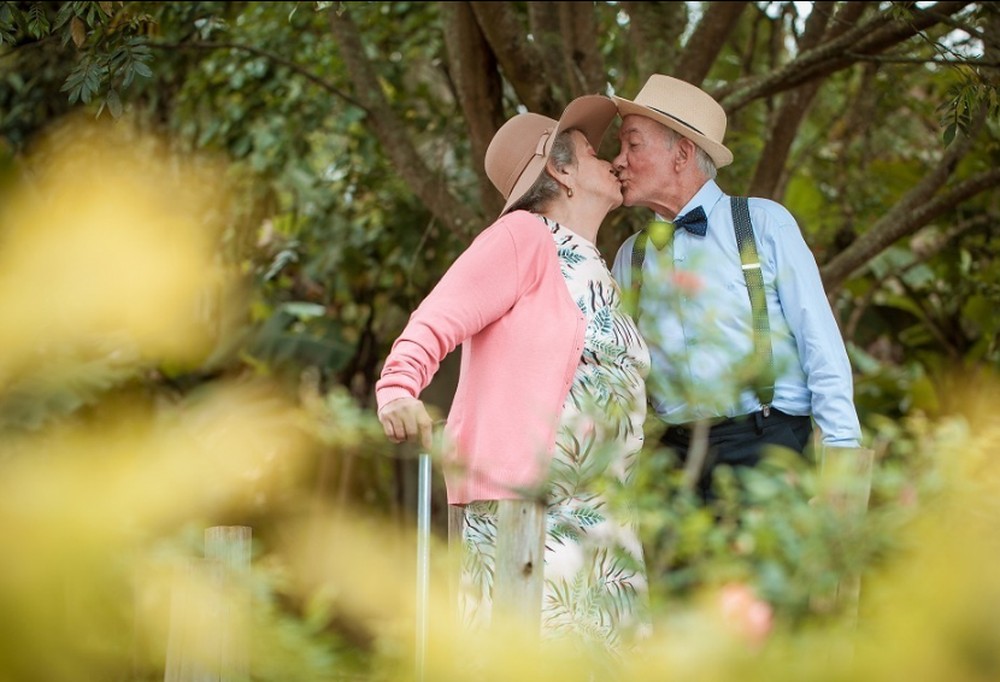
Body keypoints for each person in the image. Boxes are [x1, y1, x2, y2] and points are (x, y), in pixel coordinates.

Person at [375, 95, 650, 654]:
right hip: (531, 513)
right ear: (561, 169)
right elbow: (437, 317)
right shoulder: (522, 237)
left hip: (603, 517)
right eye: (595, 154)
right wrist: (398, 387)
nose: (611, 163)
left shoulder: (597, 265)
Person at [609, 74, 863, 502]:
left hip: (765, 443)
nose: (618, 160)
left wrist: (841, 452)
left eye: (632, 145)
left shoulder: (763, 223)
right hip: (673, 460)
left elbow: (817, 337)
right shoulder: (630, 256)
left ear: (682, 153)